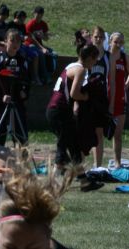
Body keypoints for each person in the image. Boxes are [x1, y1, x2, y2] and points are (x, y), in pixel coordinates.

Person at [46, 43, 97, 175]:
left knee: (70, 143)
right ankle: (57, 172)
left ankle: (82, 180)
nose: (95, 62)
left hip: (56, 110)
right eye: (95, 58)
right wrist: (85, 97)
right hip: (59, 110)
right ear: (90, 57)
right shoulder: (80, 70)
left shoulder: (71, 66)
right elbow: (74, 93)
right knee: (66, 142)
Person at [0, 28, 29, 145]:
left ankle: (21, 159)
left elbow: (27, 80)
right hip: (1, 103)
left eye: (18, 41)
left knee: (21, 135)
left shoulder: (22, 60)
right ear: (5, 41)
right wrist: (0, 96)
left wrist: (24, 92)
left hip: (17, 102)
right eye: (12, 40)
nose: (15, 44)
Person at [107, 32, 129, 168]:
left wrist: (125, 86)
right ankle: (96, 163)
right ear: (110, 41)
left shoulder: (125, 58)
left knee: (117, 133)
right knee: (98, 132)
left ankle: (117, 162)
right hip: (105, 97)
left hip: (120, 98)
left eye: (121, 42)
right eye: (116, 42)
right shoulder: (104, 57)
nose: (118, 45)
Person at [89, 25, 109, 168]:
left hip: (101, 98)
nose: (98, 39)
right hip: (87, 97)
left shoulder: (108, 57)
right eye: (96, 36)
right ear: (91, 37)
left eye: (101, 37)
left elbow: (111, 80)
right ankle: (80, 166)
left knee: (99, 132)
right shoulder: (87, 54)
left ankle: (98, 165)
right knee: (85, 131)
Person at [25, 6, 55, 85]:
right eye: (37, 15)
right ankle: (45, 77)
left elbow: (46, 38)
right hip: (30, 44)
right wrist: (42, 48)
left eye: (40, 16)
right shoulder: (30, 24)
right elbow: (32, 39)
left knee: (52, 53)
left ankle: (50, 73)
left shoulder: (43, 24)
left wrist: (43, 36)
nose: (39, 18)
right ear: (34, 14)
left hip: (39, 45)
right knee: (41, 53)